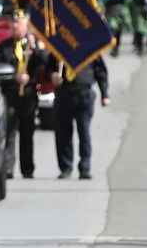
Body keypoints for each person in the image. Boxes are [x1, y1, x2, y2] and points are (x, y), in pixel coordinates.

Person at [0, 14, 47, 179]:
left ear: (26, 27)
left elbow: (44, 62)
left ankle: (27, 168)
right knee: (9, 132)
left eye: (19, 24)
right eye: (13, 25)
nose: (15, 27)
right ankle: (8, 168)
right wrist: (14, 77)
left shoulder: (31, 46)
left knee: (27, 133)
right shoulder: (5, 46)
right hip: (11, 94)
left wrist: (36, 48)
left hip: (29, 95)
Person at [47, 52, 109, 180]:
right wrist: (52, 75)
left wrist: (105, 94)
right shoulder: (60, 47)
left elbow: (100, 71)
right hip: (64, 92)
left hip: (84, 93)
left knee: (84, 132)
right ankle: (66, 167)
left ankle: (85, 167)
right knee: (63, 133)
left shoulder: (89, 48)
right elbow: (48, 67)